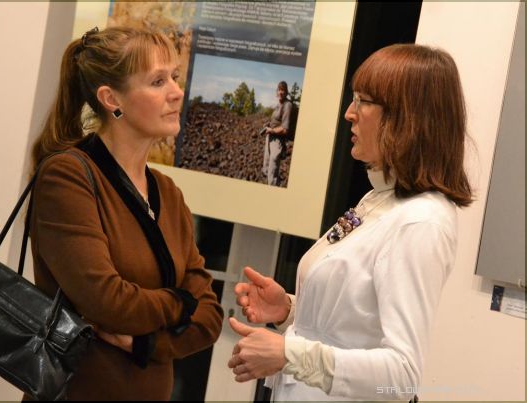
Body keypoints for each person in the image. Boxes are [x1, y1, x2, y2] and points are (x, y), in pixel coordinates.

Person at [228, 43, 473, 401]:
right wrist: (291, 311)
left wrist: (289, 354)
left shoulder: (421, 222)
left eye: (363, 101)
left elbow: (401, 376)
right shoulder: (380, 198)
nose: (349, 113)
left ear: (405, 117)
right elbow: (356, 325)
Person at [27, 27, 223, 400]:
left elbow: (210, 316)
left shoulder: (168, 192)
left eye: (175, 77)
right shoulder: (67, 175)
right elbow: (107, 302)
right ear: (111, 98)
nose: (177, 92)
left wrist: (145, 345)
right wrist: (180, 303)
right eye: (158, 81)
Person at [261, 81, 294, 186]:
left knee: (272, 170)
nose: (280, 92)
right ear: (277, 91)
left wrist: (272, 130)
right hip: (270, 137)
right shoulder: (278, 105)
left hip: (277, 140)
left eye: (283, 90)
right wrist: (268, 124)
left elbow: (285, 129)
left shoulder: (287, 105)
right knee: (266, 167)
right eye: (279, 90)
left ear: (286, 92)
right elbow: (276, 121)